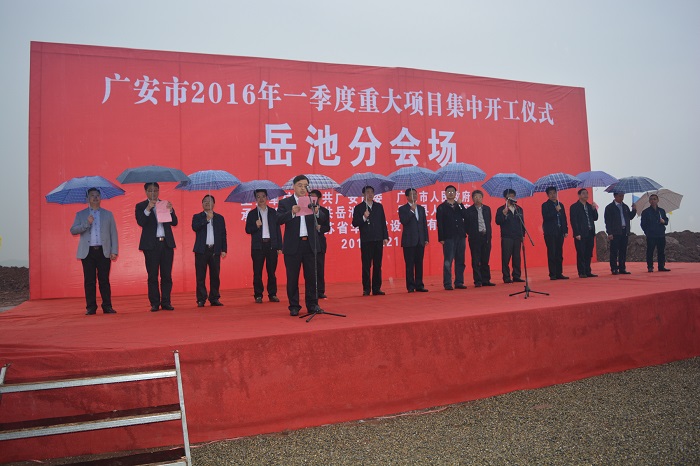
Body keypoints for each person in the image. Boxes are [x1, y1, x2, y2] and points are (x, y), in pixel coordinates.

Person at [277, 175, 327, 315]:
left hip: (310, 245)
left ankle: (312, 305)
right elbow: (278, 219)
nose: (302, 188)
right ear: (293, 186)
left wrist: (317, 212)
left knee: (311, 277)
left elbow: (324, 218)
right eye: (300, 185)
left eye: (305, 186)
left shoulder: (312, 201)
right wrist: (291, 212)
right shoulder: (285, 203)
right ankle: (294, 306)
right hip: (293, 246)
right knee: (292, 278)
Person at [70, 187, 118, 315]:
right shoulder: (81, 214)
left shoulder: (108, 214)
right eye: (92, 195)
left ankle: (107, 306)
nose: (95, 197)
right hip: (88, 252)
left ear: (100, 198)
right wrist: (86, 223)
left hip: (103, 251)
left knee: (104, 280)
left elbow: (113, 233)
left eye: (97, 195)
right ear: (87, 198)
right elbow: (73, 230)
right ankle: (91, 307)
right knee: (89, 280)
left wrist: (114, 250)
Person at [136, 182, 178, 312]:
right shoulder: (141, 206)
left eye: (156, 190)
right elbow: (141, 222)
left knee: (167, 275)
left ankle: (166, 302)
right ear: (146, 192)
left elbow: (174, 222)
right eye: (150, 190)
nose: (153, 193)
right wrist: (148, 209)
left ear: (159, 191)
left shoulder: (164, 204)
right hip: (151, 246)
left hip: (166, 244)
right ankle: (155, 303)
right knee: (152, 275)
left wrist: (171, 210)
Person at [245, 188, 282, 303]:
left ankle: (272, 294)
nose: (261, 199)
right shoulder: (252, 214)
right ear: (255, 199)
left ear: (267, 198)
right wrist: (255, 226)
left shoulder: (273, 212)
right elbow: (247, 230)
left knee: (271, 272)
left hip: (271, 245)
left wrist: (279, 246)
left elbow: (277, 230)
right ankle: (258, 295)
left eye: (263, 196)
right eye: (258, 197)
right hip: (258, 246)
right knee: (257, 272)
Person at [352, 185, 389, 296]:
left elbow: (383, 222)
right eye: (367, 192)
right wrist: (364, 217)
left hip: (378, 239)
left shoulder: (379, 206)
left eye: (372, 192)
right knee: (366, 265)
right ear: (363, 194)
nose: (370, 194)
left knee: (378, 265)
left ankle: (376, 288)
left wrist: (385, 237)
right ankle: (366, 288)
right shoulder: (359, 208)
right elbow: (354, 223)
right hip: (366, 240)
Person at [192, 194, 227, 307]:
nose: (207, 203)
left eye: (209, 201)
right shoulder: (197, 217)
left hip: (214, 250)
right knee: (200, 276)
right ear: (202, 204)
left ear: (214, 204)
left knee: (215, 276)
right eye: (205, 201)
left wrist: (224, 249)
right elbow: (195, 227)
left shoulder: (220, 218)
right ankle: (201, 299)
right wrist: (207, 219)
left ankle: (214, 298)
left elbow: (223, 234)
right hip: (201, 250)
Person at [436, 185, 468, 290]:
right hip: (448, 237)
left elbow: (466, 216)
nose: (450, 193)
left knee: (460, 260)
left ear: (455, 193)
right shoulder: (441, 207)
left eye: (452, 191)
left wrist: (461, 204)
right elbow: (440, 224)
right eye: (448, 191)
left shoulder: (459, 205)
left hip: (460, 236)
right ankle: (447, 283)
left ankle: (459, 282)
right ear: (445, 193)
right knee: (448, 261)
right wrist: (441, 238)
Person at [398, 188, 429, 293]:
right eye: (412, 194)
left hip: (420, 240)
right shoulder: (403, 209)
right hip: (409, 241)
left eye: (415, 194)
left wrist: (426, 238)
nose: (414, 196)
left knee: (419, 263)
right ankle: (410, 286)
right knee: (410, 264)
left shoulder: (421, 208)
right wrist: (411, 210)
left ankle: (419, 285)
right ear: (407, 197)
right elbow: (404, 221)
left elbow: (424, 224)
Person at [464, 189, 495, 287]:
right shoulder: (469, 210)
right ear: (472, 198)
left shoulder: (487, 209)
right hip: (475, 238)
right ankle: (477, 281)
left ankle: (486, 280)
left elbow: (488, 222)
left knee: (485, 259)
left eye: (479, 197)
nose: (478, 199)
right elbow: (466, 225)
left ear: (482, 198)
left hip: (486, 237)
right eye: (475, 197)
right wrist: (472, 233)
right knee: (476, 260)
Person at [495, 188, 525, 284]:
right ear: (505, 198)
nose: (512, 198)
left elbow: (522, 223)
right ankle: (506, 277)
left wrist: (523, 235)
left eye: (513, 196)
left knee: (517, 257)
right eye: (509, 197)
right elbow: (497, 221)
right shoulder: (501, 209)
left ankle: (516, 275)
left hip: (517, 236)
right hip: (507, 237)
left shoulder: (519, 209)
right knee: (506, 258)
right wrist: (503, 215)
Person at [604, 192, 637, 275]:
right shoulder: (609, 207)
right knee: (614, 251)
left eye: (623, 196)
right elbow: (608, 221)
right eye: (620, 196)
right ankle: (614, 268)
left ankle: (622, 268)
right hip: (615, 232)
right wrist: (609, 233)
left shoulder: (625, 206)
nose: (622, 197)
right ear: (615, 196)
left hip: (624, 231)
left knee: (623, 251)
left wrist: (634, 210)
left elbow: (630, 217)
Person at [569, 188, 599, 278]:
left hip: (590, 232)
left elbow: (595, 218)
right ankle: (581, 272)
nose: (586, 195)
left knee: (588, 253)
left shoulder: (590, 206)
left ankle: (588, 271)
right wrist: (576, 233)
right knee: (581, 253)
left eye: (587, 193)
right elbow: (573, 221)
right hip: (580, 234)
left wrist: (594, 209)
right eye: (583, 193)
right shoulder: (574, 207)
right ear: (579, 195)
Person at [541, 186, 569, 280]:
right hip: (550, 232)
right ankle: (552, 274)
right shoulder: (545, 205)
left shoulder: (560, 205)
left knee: (559, 253)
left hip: (560, 231)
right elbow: (546, 217)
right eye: (551, 193)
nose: (553, 195)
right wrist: (555, 210)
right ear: (547, 195)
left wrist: (565, 230)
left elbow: (564, 218)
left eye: (554, 193)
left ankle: (559, 273)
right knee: (552, 253)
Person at [640, 194, 671, 273]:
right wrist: (647, 232)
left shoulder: (661, 211)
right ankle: (650, 267)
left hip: (661, 234)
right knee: (650, 251)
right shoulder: (646, 212)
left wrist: (664, 221)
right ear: (649, 201)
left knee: (661, 251)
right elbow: (643, 224)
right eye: (651, 199)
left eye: (654, 199)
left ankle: (661, 266)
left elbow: (666, 221)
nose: (653, 201)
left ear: (657, 200)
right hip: (651, 235)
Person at [309, 189, 331, 299]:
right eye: (311, 197)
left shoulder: (324, 211)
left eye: (315, 197)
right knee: (310, 269)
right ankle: (312, 291)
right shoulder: (305, 210)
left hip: (320, 244)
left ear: (319, 199)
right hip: (308, 244)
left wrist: (320, 227)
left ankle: (321, 291)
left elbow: (327, 227)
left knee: (320, 268)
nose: (312, 199)